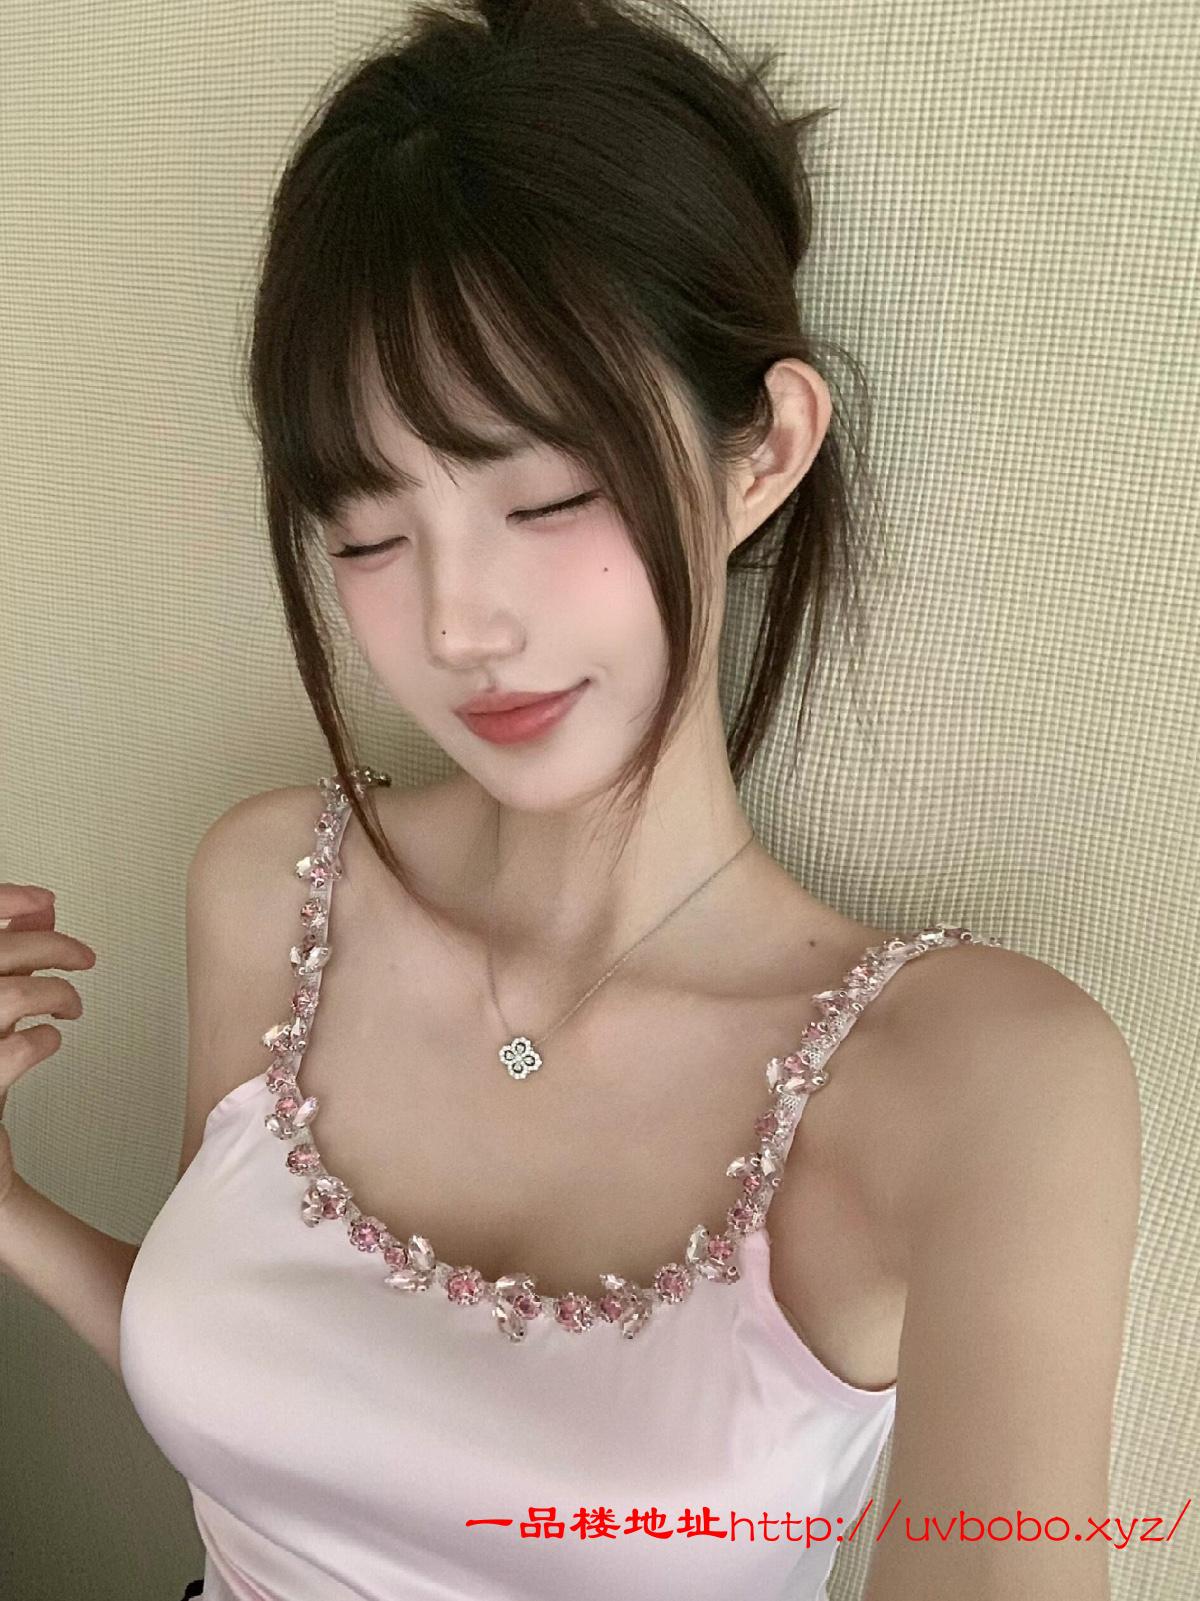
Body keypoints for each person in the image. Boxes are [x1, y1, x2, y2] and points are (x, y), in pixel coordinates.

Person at [0, 1, 1140, 1598]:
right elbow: (284, 1389)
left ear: (763, 451)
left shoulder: (987, 1084)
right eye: (367, 532)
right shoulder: (270, 881)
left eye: (546, 494)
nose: (455, 623)